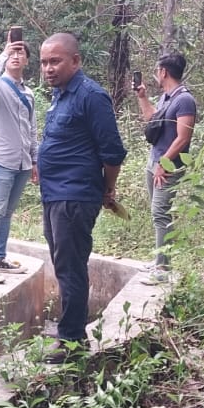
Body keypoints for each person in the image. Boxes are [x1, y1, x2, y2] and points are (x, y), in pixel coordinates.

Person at [35, 33, 127, 363]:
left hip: (75, 195)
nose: (48, 68)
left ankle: (72, 341)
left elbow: (113, 152)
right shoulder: (60, 96)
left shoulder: (91, 96)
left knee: (71, 267)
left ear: (76, 61)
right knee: (63, 264)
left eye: (55, 61)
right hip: (55, 194)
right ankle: (69, 333)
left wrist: (108, 189)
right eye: (44, 62)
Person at [132, 53, 197, 285]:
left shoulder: (185, 100)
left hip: (169, 168)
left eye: (157, 70)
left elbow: (183, 138)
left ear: (163, 72)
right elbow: (154, 121)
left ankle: (163, 268)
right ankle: (161, 259)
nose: (156, 74)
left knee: (161, 214)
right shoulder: (166, 98)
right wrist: (143, 98)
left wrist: (164, 163)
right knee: (157, 213)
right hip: (155, 164)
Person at [0, 40, 38, 284]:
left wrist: (35, 160)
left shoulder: (28, 93)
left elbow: (32, 128)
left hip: (22, 162)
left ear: (26, 60)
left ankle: (0, 258)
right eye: (12, 52)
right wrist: (2, 54)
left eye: (20, 53)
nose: (15, 56)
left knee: (7, 212)